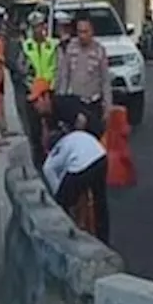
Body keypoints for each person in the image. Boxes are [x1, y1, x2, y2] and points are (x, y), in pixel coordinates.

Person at [43, 96, 109, 243]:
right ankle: (103, 239)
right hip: (100, 155)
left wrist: (61, 195)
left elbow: (55, 182)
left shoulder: (53, 158)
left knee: (62, 201)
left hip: (84, 162)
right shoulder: (73, 136)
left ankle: (67, 236)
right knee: (100, 200)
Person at [55, 13, 112, 126]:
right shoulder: (71, 48)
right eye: (79, 31)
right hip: (75, 102)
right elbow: (64, 76)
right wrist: (61, 103)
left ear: (92, 32)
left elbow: (105, 80)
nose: (82, 35)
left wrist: (107, 107)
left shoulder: (99, 50)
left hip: (93, 103)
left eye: (85, 31)